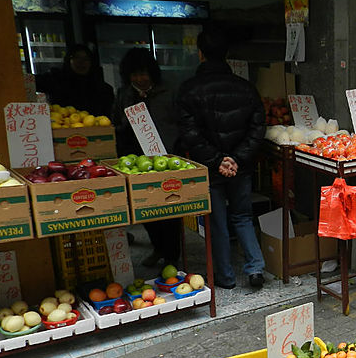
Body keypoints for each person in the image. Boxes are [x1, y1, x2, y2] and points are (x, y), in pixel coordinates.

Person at [176, 26, 265, 289]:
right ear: (226, 54)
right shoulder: (246, 88)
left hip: (210, 167)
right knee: (242, 216)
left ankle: (225, 277)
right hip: (241, 167)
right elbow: (258, 127)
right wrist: (236, 158)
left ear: (200, 54)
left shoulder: (189, 90)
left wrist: (217, 161)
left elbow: (189, 134)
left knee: (217, 222)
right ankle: (256, 269)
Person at [112, 48, 181, 268]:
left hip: (166, 158)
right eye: (134, 75)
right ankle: (157, 247)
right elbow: (116, 123)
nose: (140, 79)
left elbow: (177, 123)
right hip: (135, 160)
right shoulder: (124, 94)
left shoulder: (168, 92)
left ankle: (172, 254)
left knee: (170, 208)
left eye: (144, 74)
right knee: (145, 208)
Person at [37, 44, 114, 116]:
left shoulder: (103, 88)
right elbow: (33, 82)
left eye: (86, 59)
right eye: (77, 58)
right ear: (69, 60)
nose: (81, 62)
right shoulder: (56, 80)